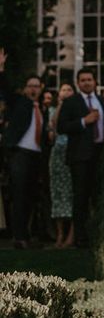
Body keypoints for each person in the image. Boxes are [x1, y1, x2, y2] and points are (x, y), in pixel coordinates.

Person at [57, 67, 104, 248]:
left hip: (100, 154)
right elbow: (61, 126)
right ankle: (80, 238)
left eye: (89, 79)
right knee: (81, 197)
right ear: (78, 83)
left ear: (95, 82)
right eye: (83, 80)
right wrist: (83, 121)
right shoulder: (71, 102)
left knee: (99, 197)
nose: (86, 82)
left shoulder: (103, 101)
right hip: (80, 156)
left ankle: (99, 236)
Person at [2, 74, 46, 248]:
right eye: (30, 86)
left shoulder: (41, 108)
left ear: (40, 89)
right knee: (19, 196)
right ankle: (18, 237)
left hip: (36, 156)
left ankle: (26, 235)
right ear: (26, 89)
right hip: (20, 154)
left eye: (36, 86)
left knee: (30, 196)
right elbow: (6, 90)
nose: (33, 89)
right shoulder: (19, 103)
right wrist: (1, 70)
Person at [49, 83, 75, 247]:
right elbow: (55, 126)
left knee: (73, 192)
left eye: (69, 90)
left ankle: (71, 234)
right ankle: (60, 234)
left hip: (73, 151)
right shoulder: (54, 109)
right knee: (58, 194)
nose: (66, 92)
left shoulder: (78, 108)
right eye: (63, 90)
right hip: (58, 154)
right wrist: (61, 104)